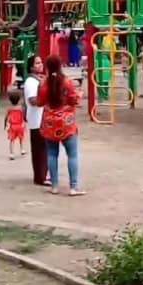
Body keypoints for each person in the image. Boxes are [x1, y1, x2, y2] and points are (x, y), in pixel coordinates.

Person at [35, 54, 85, 196]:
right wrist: (79, 95)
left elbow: (39, 103)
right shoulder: (67, 82)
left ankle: (55, 186)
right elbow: (73, 100)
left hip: (49, 123)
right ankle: (73, 187)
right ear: (60, 65)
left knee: (51, 154)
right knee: (72, 155)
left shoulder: (43, 84)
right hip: (66, 123)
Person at [24, 55, 49, 185]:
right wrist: (46, 100)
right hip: (36, 119)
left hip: (43, 118)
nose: (40, 65)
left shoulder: (40, 79)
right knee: (39, 149)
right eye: (37, 63)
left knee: (44, 148)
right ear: (31, 66)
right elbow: (32, 100)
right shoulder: (30, 82)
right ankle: (40, 177)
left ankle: (44, 174)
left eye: (41, 62)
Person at [5, 91, 26, 160]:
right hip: (19, 126)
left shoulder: (9, 109)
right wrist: (24, 123)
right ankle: (22, 149)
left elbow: (7, 118)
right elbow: (23, 117)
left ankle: (11, 154)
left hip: (12, 126)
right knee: (21, 138)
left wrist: (5, 125)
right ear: (19, 100)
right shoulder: (20, 108)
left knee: (12, 140)